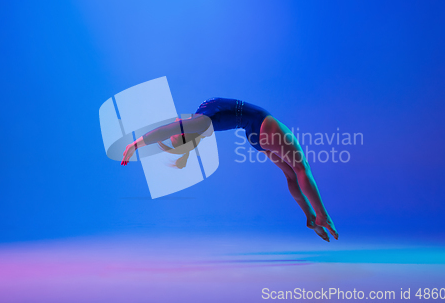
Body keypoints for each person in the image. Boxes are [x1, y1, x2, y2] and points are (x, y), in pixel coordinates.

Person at [121, 98, 338, 242]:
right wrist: (135, 144)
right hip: (263, 125)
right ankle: (322, 215)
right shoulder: (197, 123)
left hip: (255, 136)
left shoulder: (199, 117)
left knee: (290, 173)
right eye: (176, 135)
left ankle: (310, 216)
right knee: (301, 167)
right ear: (184, 133)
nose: (174, 130)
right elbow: (165, 130)